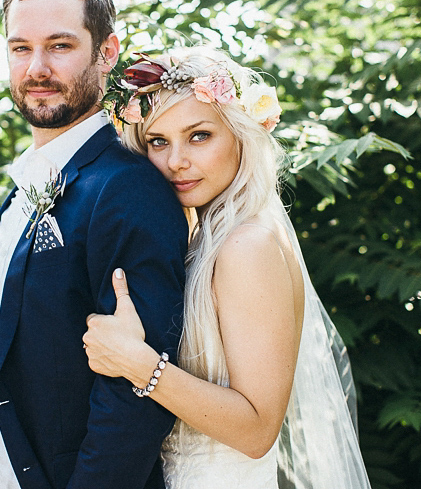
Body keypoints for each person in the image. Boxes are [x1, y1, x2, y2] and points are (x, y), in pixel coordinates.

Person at [83, 47, 372, 489]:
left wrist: (138, 364)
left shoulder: (247, 245)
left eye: (199, 135)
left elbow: (256, 430)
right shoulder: (210, 239)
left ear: (239, 133)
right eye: (158, 142)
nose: (176, 160)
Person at [0, 0, 189, 489]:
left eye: (60, 46)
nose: (36, 68)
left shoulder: (127, 190)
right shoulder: (26, 181)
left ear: (107, 53)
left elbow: (135, 396)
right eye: (19, 48)